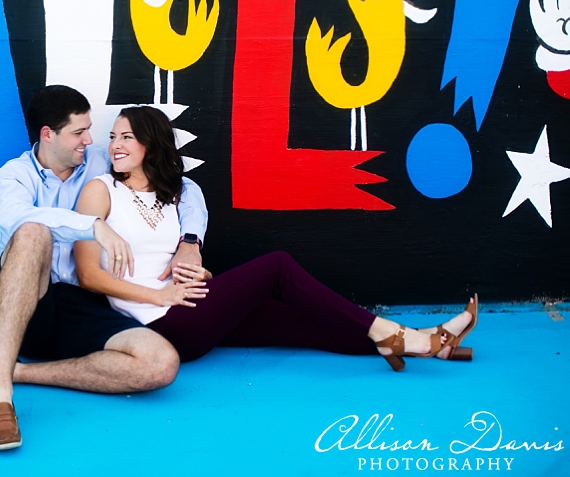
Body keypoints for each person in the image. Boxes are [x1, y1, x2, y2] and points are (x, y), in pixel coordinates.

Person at [73, 106, 478, 370]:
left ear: (151, 142)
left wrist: (198, 275)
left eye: (126, 136)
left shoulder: (173, 194)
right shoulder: (100, 190)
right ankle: (403, 336)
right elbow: (89, 275)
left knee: (305, 326)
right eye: (113, 137)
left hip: (191, 306)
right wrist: (160, 296)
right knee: (277, 266)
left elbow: (170, 257)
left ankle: (427, 342)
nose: (115, 145)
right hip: (163, 323)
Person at [0, 86, 209, 451]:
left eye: (90, 130)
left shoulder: (98, 163)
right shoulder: (10, 178)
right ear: (48, 134)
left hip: (84, 304)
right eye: (79, 132)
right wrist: (92, 226)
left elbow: (181, 184)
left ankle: (12, 369)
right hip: (28, 303)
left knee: (160, 363)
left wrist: (190, 240)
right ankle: (0, 396)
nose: (90, 140)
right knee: (32, 232)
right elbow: (17, 218)